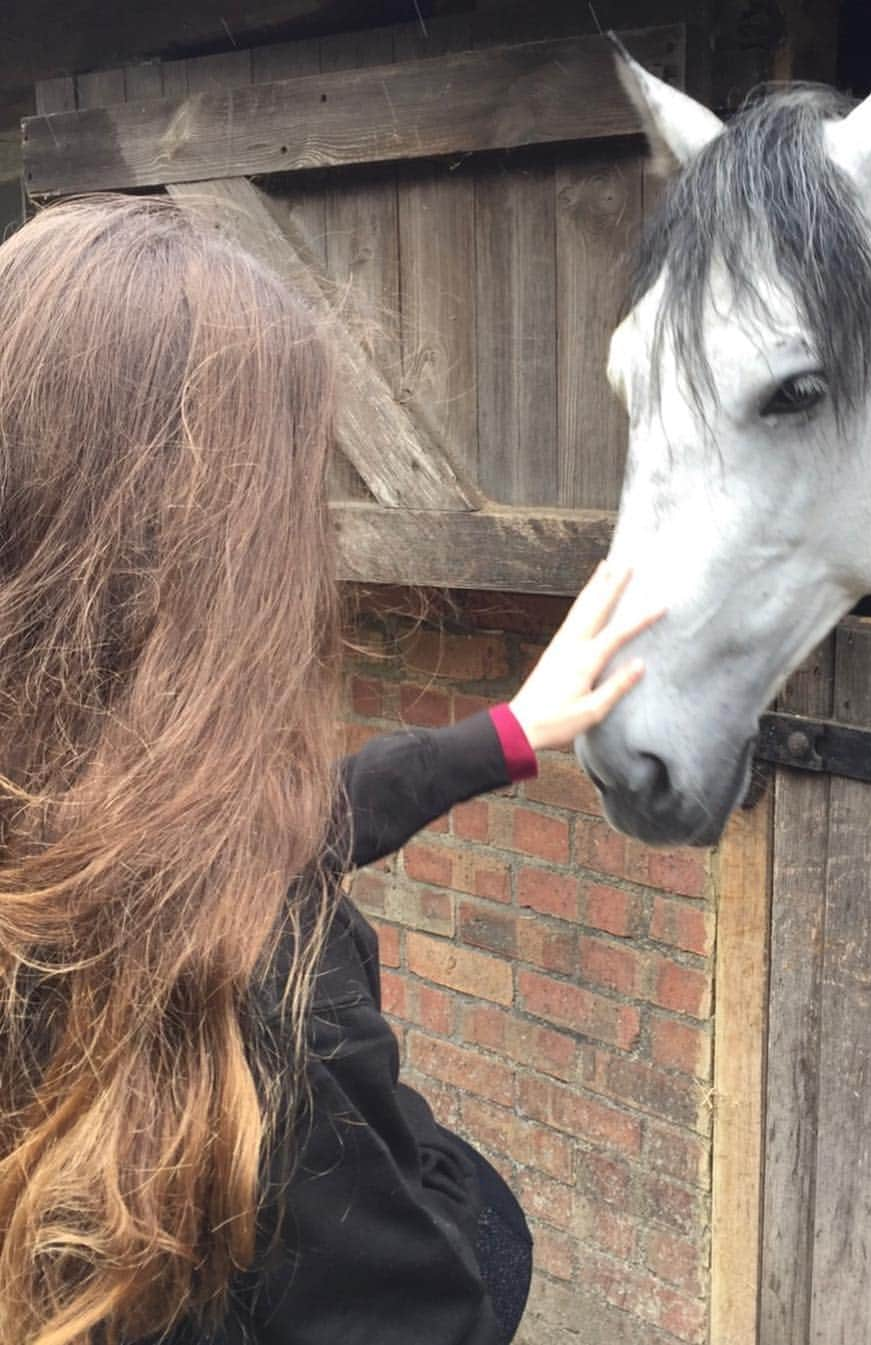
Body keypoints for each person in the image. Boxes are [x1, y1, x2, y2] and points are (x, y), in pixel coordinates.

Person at [0, 194, 660, 1345]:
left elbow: (298, 819)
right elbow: (440, 1308)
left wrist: (512, 732)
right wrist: (437, 1164)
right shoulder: (260, 983)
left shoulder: (55, 826)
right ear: (231, 552)